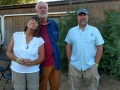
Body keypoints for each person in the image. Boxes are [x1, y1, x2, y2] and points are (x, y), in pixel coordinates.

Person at [65, 9, 104, 90]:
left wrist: (96, 64)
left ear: (88, 17)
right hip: (74, 66)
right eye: (80, 15)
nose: (82, 17)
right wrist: (70, 62)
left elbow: (99, 47)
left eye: (84, 15)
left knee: (92, 88)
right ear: (77, 17)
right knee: (73, 88)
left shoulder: (95, 30)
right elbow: (68, 46)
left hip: (91, 66)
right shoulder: (71, 31)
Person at [6, 16, 45, 90]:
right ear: (28, 22)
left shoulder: (39, 40)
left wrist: (32, 63)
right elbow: (8, 52)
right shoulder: (16, 35)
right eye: (32, 20)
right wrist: (17, 59)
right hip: (17, 70)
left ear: (38, 27)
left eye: (36, 22)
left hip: (33, 71)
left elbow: (42, 57)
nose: (33, 22)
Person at [35, 1, 61, 90]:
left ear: (47, 10)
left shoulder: (54, 24)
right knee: (42, 87)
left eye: (44, 8)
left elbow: (56, 40)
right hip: (42, 64)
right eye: (40, 7)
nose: (43, 10)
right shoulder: (34, 26)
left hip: (55, 62)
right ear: (36, 11)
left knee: (55, 86)